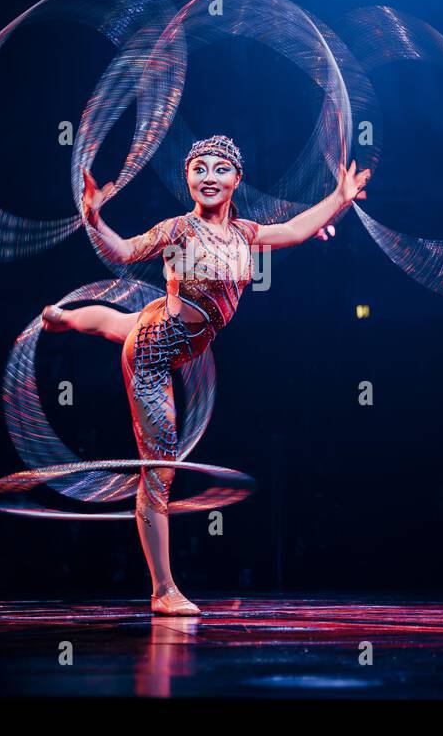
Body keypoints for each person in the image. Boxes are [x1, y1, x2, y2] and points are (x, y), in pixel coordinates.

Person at [42, 135, 370, 615]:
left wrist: (339, 199)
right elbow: (123, 251)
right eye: (200, 168)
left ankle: (65, 318)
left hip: (171, 332)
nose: (209, 176)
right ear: (188, 179)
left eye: (220, 169)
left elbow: (298, 229)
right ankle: (162, 591)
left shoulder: (244, 234)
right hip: (156, 354)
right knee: (160, 470)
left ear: (237, 179)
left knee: (120, 322)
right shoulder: (178, 230)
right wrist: (94, 219)